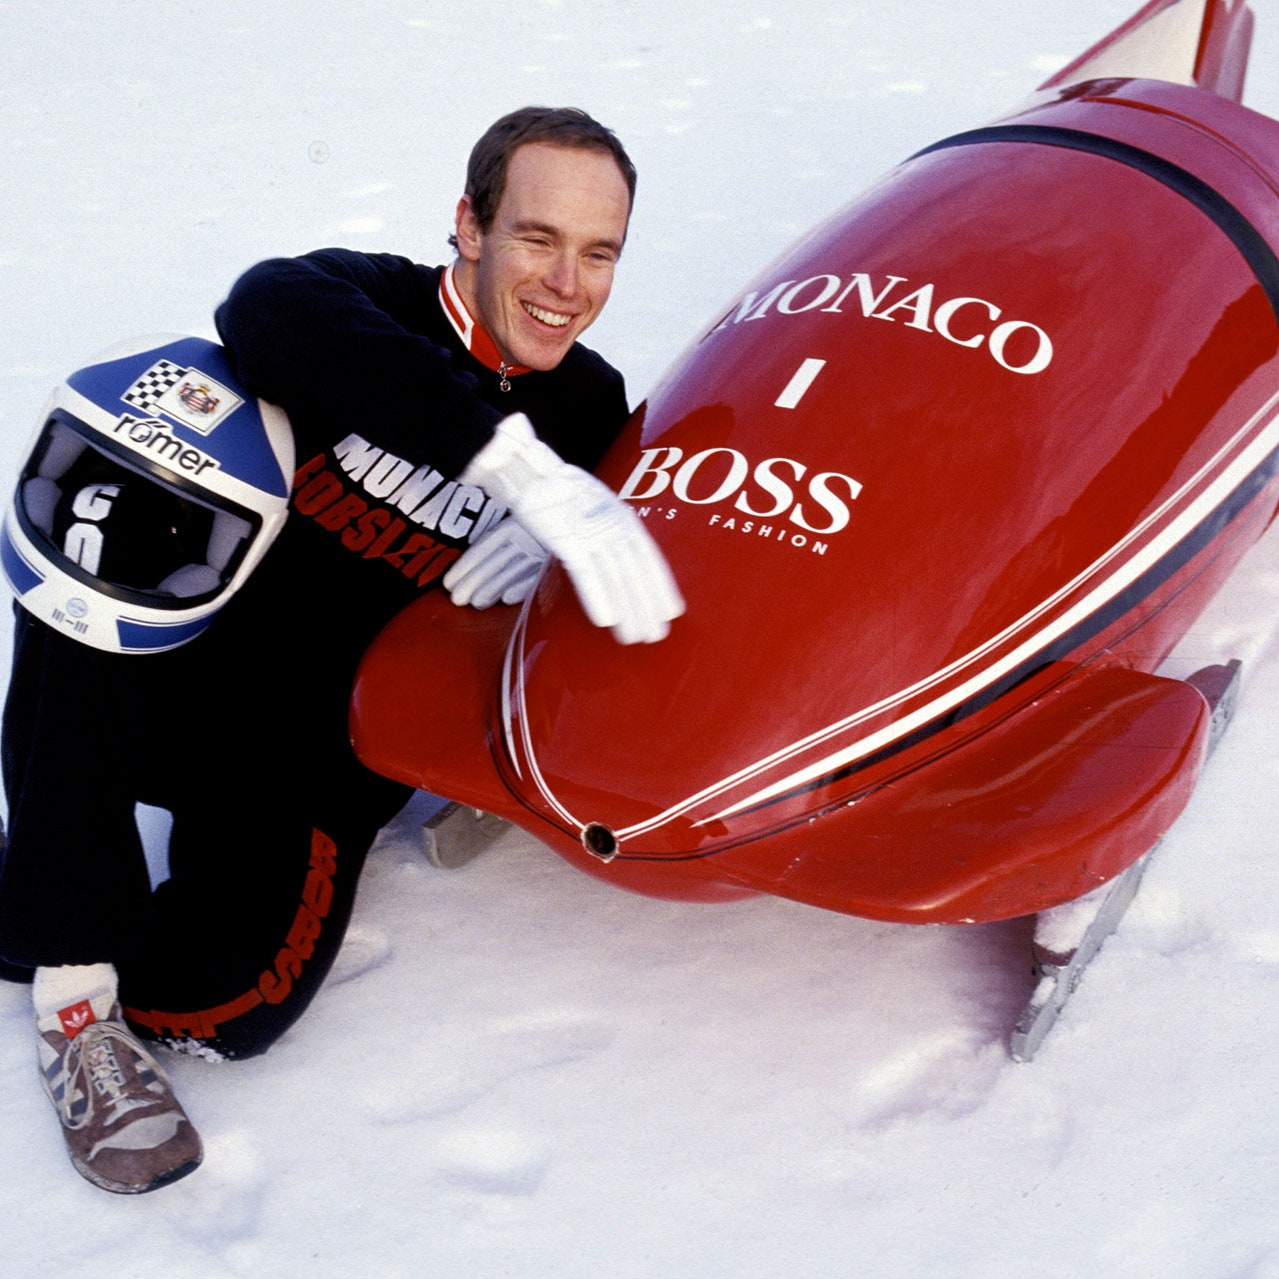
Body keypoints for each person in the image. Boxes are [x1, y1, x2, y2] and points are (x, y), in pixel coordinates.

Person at [0, 105, 682, 1195]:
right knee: (107, 525)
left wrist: (549, 558)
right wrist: (508, 465)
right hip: (173, 674)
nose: (567, 281)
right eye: (537, 238)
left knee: (233, 1005)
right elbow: (265, 303)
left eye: (599, 252)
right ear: (469, 224)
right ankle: (72, 992)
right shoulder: (362, 298)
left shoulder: (589, 406)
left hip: (308, 745)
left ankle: (39, 894)